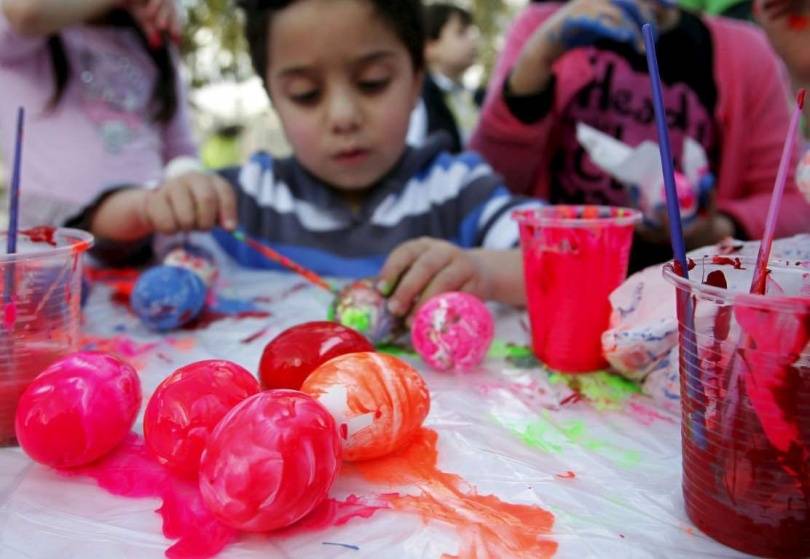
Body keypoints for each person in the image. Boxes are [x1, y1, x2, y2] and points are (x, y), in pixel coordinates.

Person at [75, 0, 541, 320]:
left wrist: (482, 271)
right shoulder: (244, 200)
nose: (342, 117)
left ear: (418, 78)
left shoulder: (458, 191)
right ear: (274, 98)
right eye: (306, 94)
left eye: (373, 82)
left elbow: (568, 259)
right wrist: (149, 206)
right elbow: (99, 238)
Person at [469, 0, 810, 270]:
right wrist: (535, 62)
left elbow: (795, 203)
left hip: (692, 300)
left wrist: (715, 229)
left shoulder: (745, 52)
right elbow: (486, 186)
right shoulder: (542, 29)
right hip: (557, 282)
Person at [0, 0, 197, 227]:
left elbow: (181, 150)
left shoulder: (154, 46)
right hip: (57, 240)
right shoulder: (20, 37)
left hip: (152, 235)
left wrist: (188, 186)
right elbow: (27, 12)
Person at [407, 3, 482, 152]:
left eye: (471, 32)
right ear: (429, 47)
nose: (472, 40)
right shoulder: (420, 99)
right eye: (461, 33)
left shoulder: (478, 97)